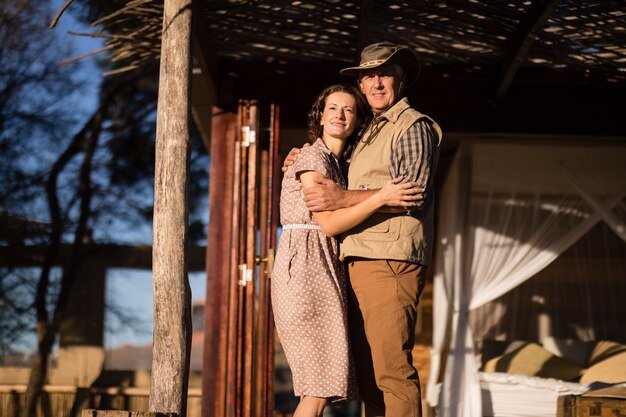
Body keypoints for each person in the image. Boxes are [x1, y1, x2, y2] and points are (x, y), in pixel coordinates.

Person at [283, 42, 443, 417]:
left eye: (384, 73)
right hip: (355, 260)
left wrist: (342, 198)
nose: (376, 82)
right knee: (369, 374)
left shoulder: (412, 125)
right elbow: (333, 167)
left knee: (390, 370)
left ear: (400, 78)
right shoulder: (369, 133)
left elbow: (412, 193)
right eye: (368, 75)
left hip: (389, 260)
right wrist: (302, 158)